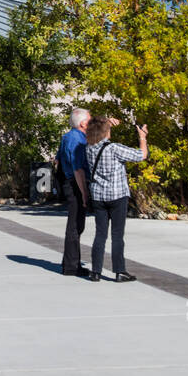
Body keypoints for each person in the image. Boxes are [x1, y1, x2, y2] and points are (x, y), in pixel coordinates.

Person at [84, 114, 148, 282]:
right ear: (106, 132)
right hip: (117, 195)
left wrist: (106, 122)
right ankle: (119, 271)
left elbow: (96, 130)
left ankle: (96, 271)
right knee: (117, 235)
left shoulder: (88, 148)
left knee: (100, 234)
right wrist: (142, 137)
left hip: (98, 196)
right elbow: (141, 155)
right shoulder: (114, 148)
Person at [55, 108, 92, 277]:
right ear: (83, 123)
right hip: (74, 183)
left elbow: (57, 159)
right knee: (75, 225)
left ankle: (70, 262)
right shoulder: (75, 139)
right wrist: (84, 192)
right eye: (90, 120)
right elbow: (77, 169)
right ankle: (71, 266)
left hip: (71, 183)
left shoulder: (68, 137)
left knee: (78, 225)